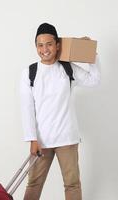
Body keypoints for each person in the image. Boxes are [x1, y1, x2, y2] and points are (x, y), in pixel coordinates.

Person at [20, 23, 100, 200]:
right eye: (40, 45)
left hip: (67, 138)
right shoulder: (29, 73)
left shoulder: (67, 68)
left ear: (57, 45)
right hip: (41, 140)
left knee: (72, 185)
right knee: (34, 183)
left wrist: (90, 53)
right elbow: (27, 108)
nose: (45, 49)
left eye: (49, 44)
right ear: (36, 47)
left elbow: (94, 80)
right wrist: (32, 139)